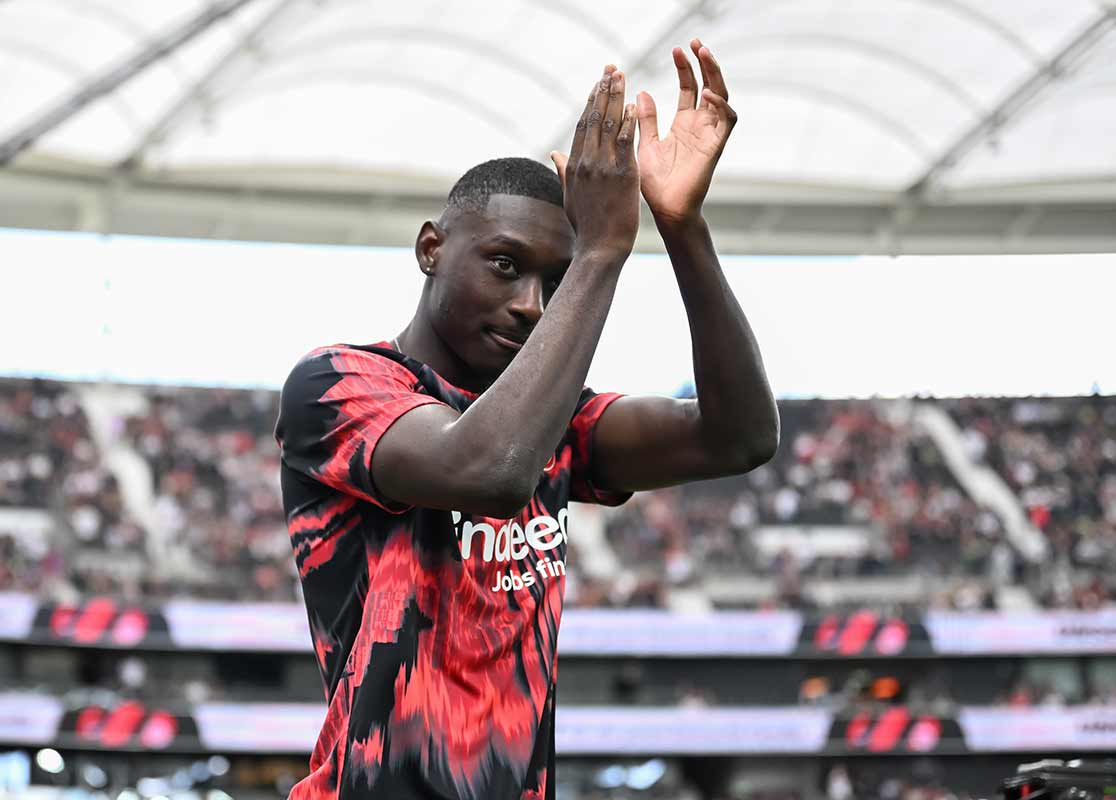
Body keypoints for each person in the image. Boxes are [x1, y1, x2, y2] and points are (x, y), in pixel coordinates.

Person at [276, 39, 778, 800]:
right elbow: (490, 471)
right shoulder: (338, 384)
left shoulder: (555, 420)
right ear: (431, 248)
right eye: (506, 265)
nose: (531, 306)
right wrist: (600, 253)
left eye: (556, 279)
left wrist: (682, 227)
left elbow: (738, 437)